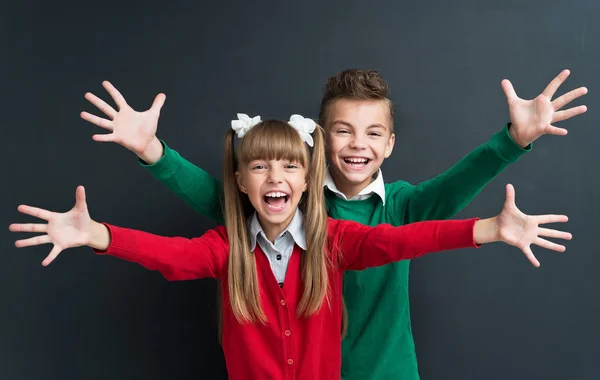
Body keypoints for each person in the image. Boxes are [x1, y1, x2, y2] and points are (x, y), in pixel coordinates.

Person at [79, 69, 586, 379]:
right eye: (343, 131)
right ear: (319, 140)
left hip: (385, 373)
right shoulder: (295, 204)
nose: (357, 144)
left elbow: (444, 205)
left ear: (389, 144)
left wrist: (513, 142)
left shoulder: (401, 207)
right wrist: (151, 150)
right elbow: (222, 200)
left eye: (373, 133)